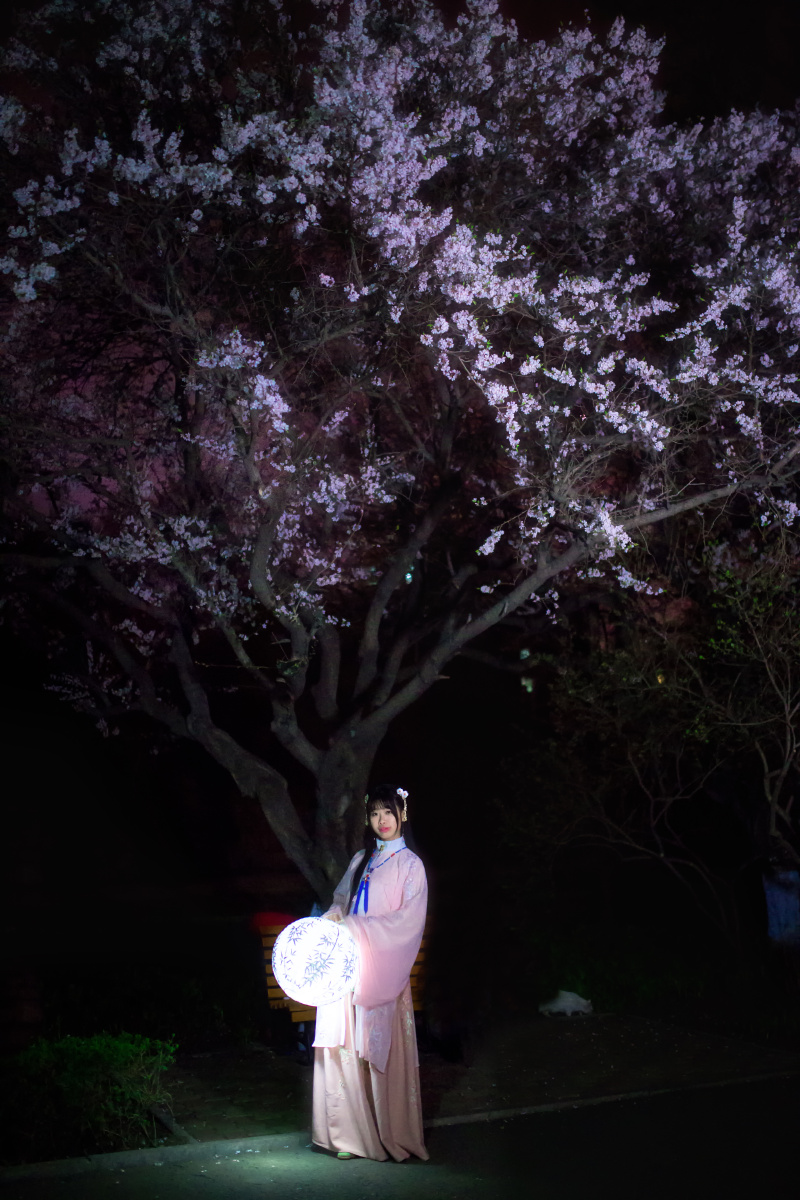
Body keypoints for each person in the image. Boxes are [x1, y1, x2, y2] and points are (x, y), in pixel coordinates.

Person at [312, 783, 429, 1162]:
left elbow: (407, 921)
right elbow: (341, 901)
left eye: (389, 812)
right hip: (349, 967)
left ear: (403, 815)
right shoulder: (361, 859)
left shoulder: (410, 866)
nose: (382, 820)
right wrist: (334, 917)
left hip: (383, 970)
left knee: (376, 1050)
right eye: (375, 813)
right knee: (345, 1048)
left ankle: (387, 1133)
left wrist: (358, 928)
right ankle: (350, 1136)